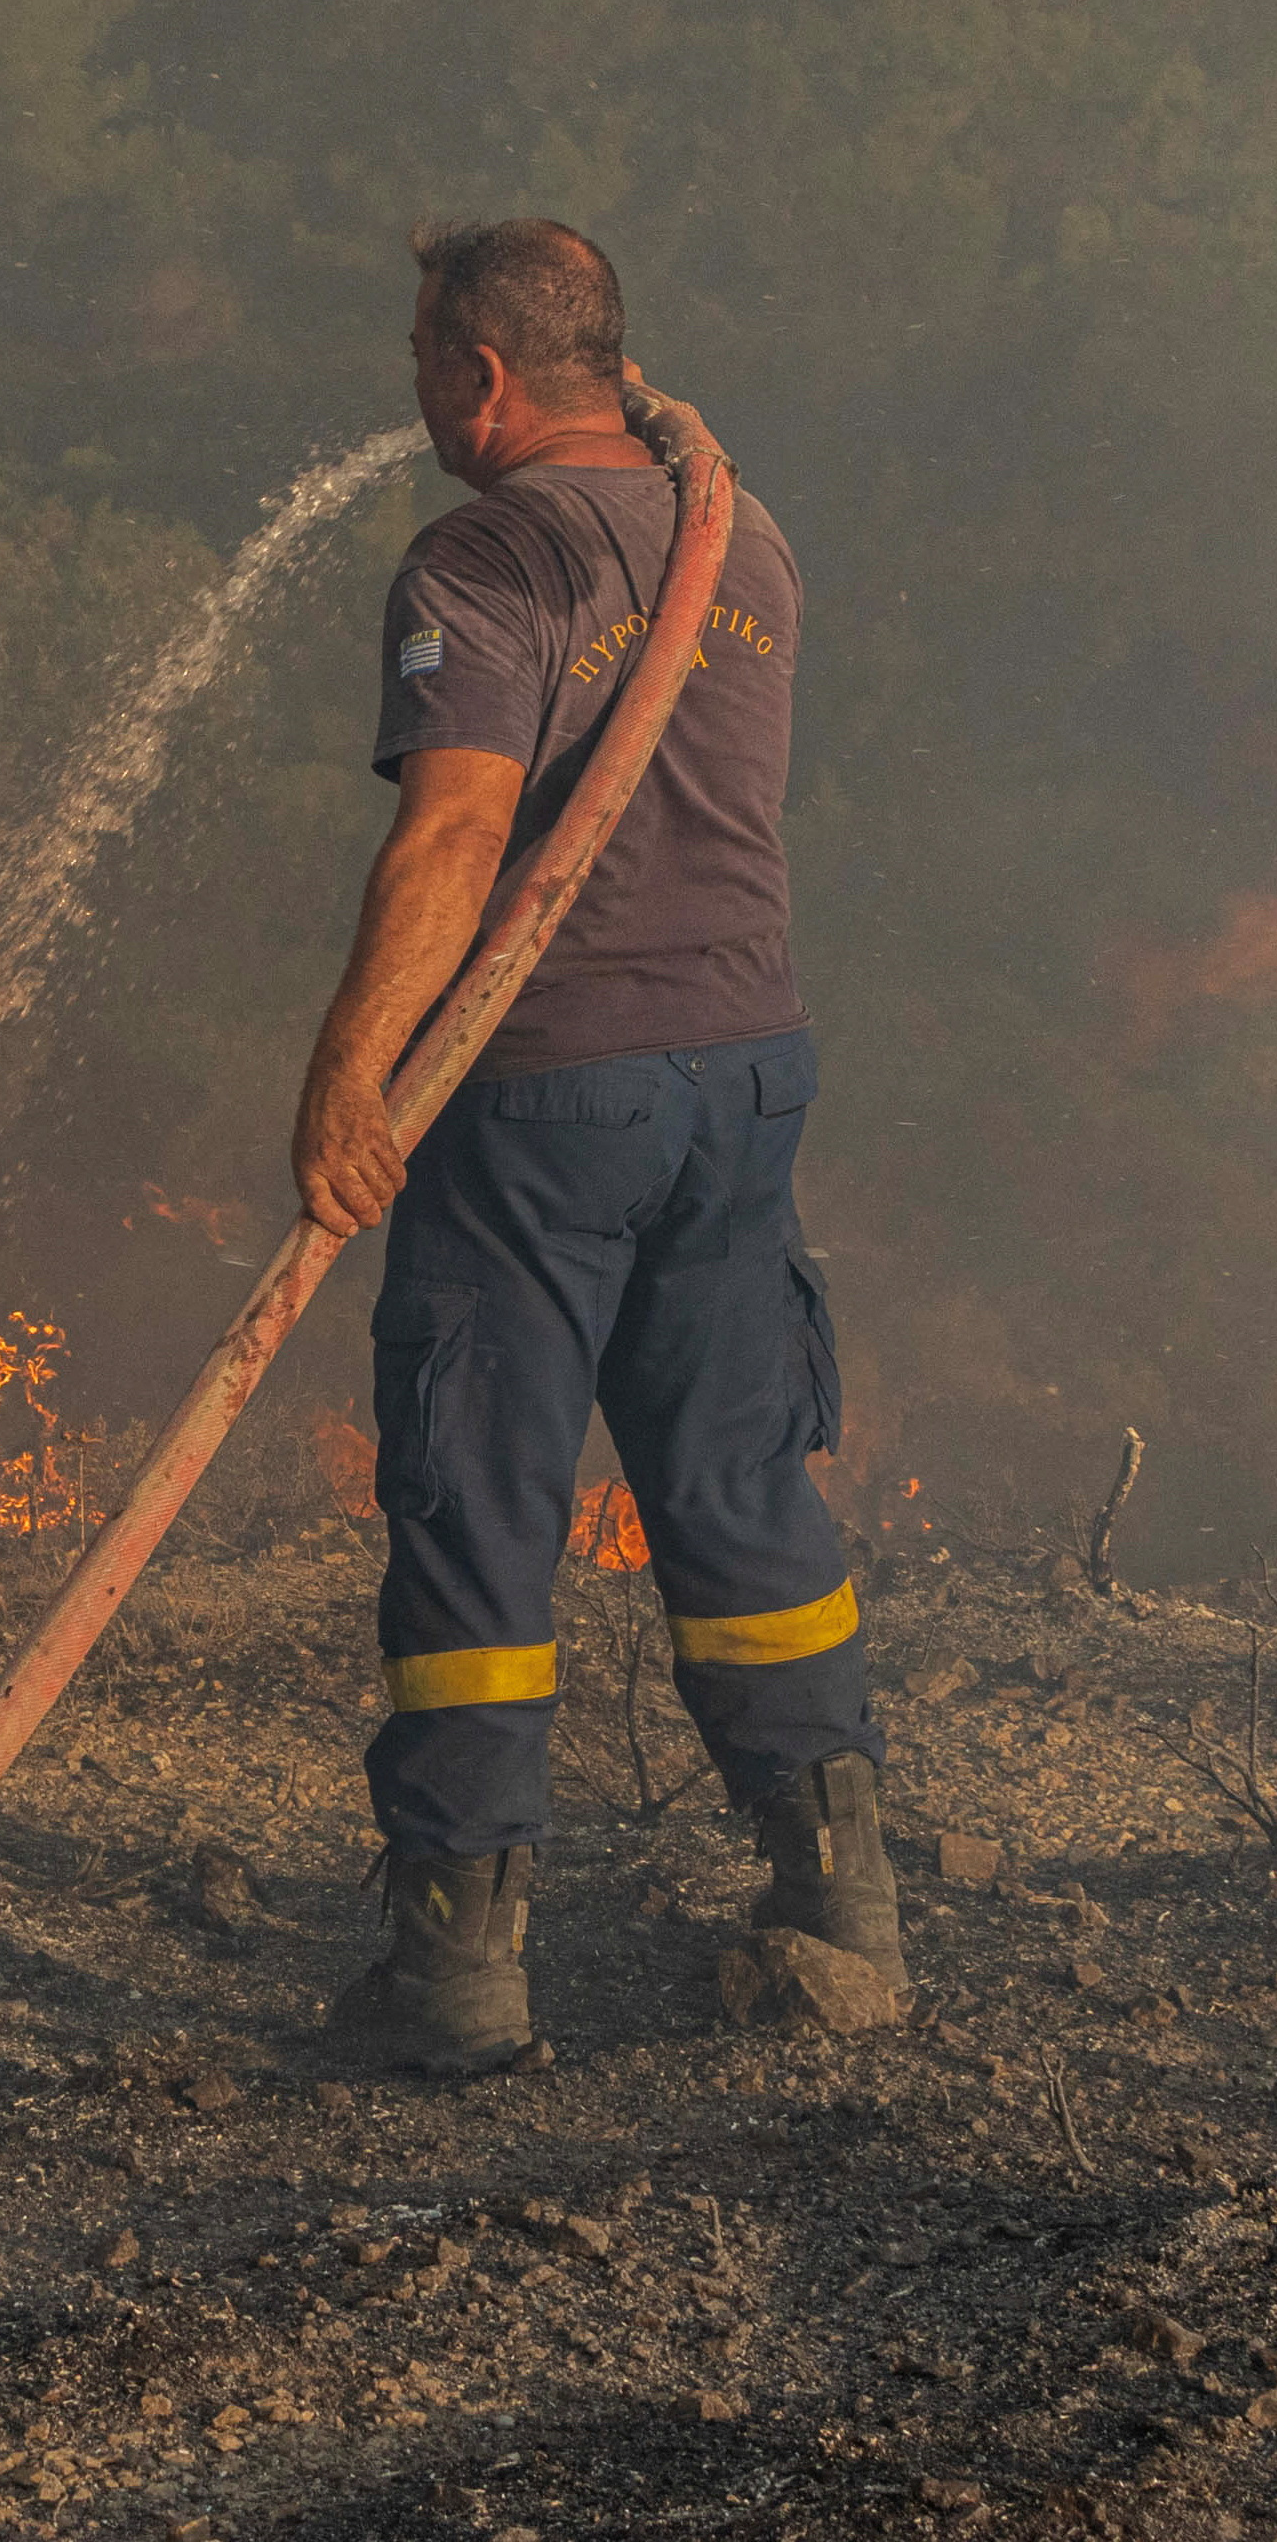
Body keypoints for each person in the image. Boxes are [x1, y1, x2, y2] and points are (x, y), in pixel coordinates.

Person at [289, 216, 894, 2074]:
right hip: (744, 1071)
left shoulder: (488, 554)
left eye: (420, 364)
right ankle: (838, 1898)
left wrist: (347, 1071)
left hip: (548, 1090)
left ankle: (459, 1974)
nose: (410, 400)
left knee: (480, 1500)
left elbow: (456, 835)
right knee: (735, 1485)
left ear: (481, 373)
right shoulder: (742, 532)